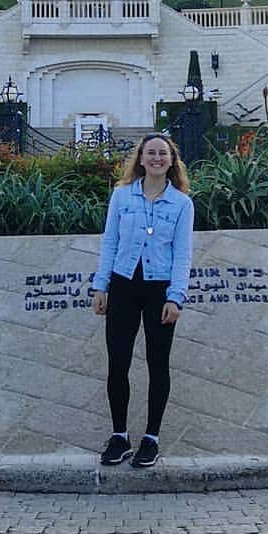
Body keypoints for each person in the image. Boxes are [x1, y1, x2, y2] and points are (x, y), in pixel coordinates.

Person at [91, 133, 194, 468]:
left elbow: (182, 255)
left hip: (159, 291)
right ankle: (119, 436)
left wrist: (175, 297)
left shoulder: (181, 204)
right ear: (140, 158)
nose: (156, 158)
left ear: (172, 160)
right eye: (150, 153)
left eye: (163, 153)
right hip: (123, 285)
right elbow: (109, 243)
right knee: (118, 363)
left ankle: (151, 438)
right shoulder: (122, 197)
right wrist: (100, 286)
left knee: (157, 363)